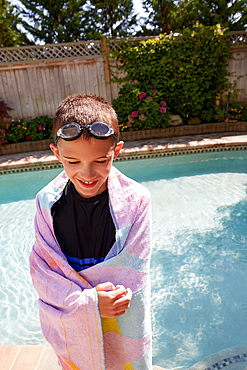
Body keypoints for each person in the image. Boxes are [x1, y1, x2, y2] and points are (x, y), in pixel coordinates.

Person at [29, 93, 152, 370]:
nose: (87, 173)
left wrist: (91, 302)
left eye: (100, 160)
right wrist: (91, 304)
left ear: (116, 151)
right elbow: (42, 271)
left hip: (120, 320)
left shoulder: (137, 200)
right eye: (72, 162)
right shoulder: (46, 203)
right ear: (56, 153)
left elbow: (135, 271)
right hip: (77, 332)